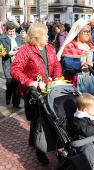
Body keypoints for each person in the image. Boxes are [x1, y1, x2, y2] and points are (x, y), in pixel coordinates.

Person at [10, 23, 62, 165]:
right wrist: (29, 82)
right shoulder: (26, 50)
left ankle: (33, 139)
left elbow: (57, 65)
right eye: (45, 34)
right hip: (34, 91)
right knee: (40, 119)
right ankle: (40, 150)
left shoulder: (50, 48)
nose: (48, 36)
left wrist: (56, 77)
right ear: (37, 36)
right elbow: (14, 69)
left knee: (39, 117)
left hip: (49, 88)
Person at [57, 18, 94, 101]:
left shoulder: (88, 46)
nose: (88, 34)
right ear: (78, 33)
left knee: (93, 100)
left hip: (88, 78)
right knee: (79, 102)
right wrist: (81, 64)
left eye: (89, 31)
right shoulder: (70, 46)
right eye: (85, 32)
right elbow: (67, 63)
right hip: (75, 79)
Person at [0, 21, 22, 108]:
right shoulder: (2, 38)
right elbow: (1, 51)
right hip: (7, 63)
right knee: (10, 83)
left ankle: (16, 103)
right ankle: (8, 97)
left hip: (18, 64)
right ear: (6, 30)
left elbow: (24, 47)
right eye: (10, 31)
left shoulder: (19, 37)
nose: (12, 33)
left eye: (13, 31)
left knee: (17, 83)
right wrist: (9, 53)